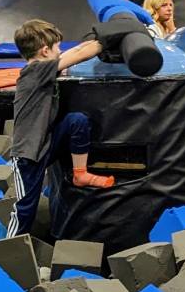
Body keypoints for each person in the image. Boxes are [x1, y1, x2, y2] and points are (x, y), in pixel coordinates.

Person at [8, 20, 114, 236]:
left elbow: (76, 49)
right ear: (45, 51)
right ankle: (7, 251)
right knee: (25, 209)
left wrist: (97, 38)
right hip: (28, 155)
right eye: (57, 47)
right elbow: (79, 55)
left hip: (46, 144)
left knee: (77, 121)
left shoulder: (44, 67)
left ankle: (80, 173)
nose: (61, 51)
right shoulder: (34, 70)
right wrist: (111, 37)